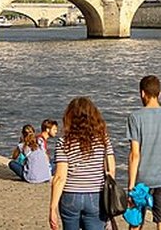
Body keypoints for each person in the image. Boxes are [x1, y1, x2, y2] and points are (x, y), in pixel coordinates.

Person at [126, 75, 161, 230]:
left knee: (135, 221)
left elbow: (134, 154)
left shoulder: (135, 117)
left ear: (142, 93)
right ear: (160, 94)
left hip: (142, 178)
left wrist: (131, 186)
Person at [49, 97, 116, 230]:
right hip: (96, 194)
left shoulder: (64, 142)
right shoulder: (103, 139)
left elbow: (60, 177)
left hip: (70, 195)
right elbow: (111, 169)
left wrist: (53, 208)